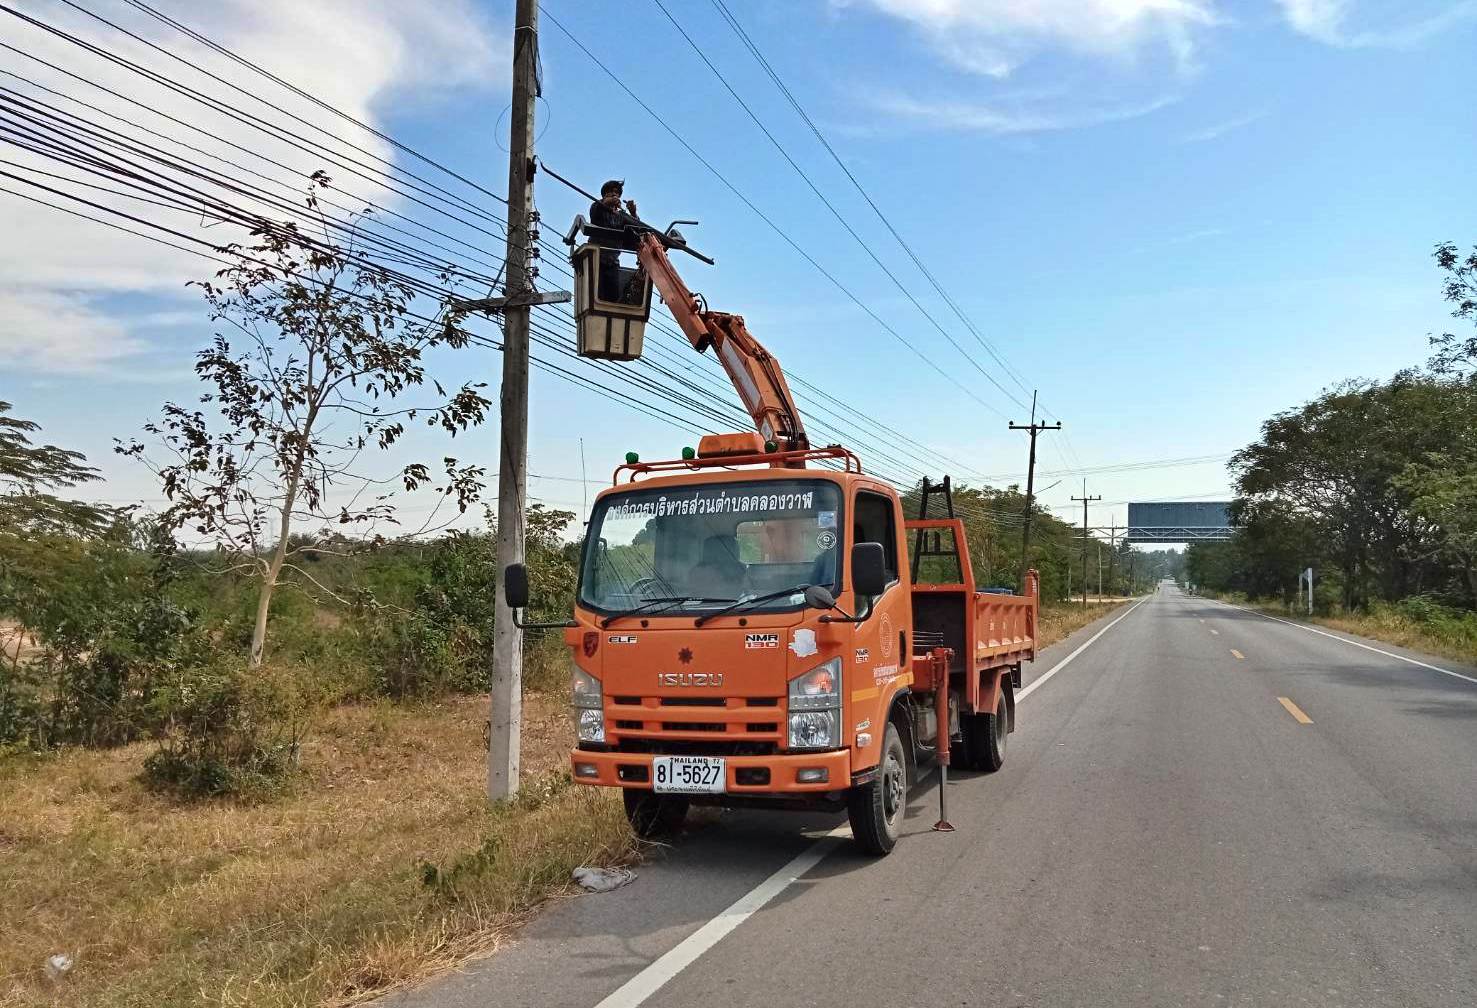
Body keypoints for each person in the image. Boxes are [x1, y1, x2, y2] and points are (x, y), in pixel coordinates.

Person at [590, 180, 640, 304]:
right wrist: (608, 202)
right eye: (610, 193)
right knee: (597, 297)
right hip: (596, 260)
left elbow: (638, 228)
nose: (614, 195)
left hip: (612, 262)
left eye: (616, 193)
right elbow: (597, 208)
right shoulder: (597, 207)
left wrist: (633, 212)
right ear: (604, 195)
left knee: (613, 298)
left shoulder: (621, 216)